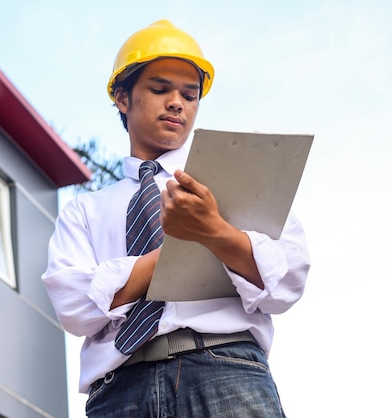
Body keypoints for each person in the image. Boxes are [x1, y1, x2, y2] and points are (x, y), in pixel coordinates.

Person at [42, 19, 309, 417]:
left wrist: (214, 231)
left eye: (190, 94)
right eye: (160, 88)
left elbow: (286, 279)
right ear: (122, 97)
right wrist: (179, 248)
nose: (177, 103)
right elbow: (75, 308)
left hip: (227, 370)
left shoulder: (236, 176)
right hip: (120, 391)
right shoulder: (86, 210)